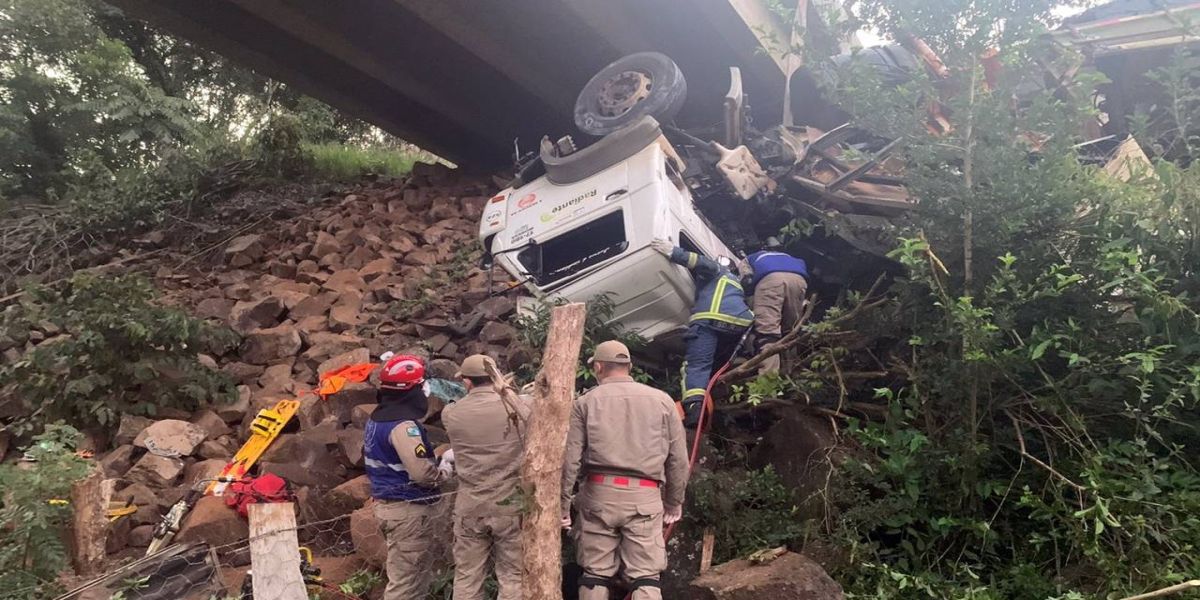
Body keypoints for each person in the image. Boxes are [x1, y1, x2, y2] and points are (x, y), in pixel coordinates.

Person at [561, 340, 690, 600]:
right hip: (645, 497)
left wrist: (563, 507)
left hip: (598, 496)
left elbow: (571, 460)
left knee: (594, 573)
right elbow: (678, 459)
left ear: (598, 367)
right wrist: (674, 502)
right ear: (629, 366)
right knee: (646, 575)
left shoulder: (585, 403)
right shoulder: (663, 401)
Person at [440, 354, 530, 600]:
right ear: (495, 377)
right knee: (513, 576)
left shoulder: (451, 413)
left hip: (470, 505)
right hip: (510, 505)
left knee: (468, 576)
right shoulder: (519, 406)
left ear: (467, 383)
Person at [364, 354, 448, 600]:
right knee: (407, 584)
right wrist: (444, 471)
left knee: (412, 578)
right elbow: (421, 473)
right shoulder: (403, 427)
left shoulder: (376, 419)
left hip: (388, 505)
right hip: (408, 510)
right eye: (422, 384)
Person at [651, 238, 753, 427]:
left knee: (696, 365)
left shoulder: (718, 270)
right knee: (713, 363)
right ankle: (712, 396)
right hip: (739, 324)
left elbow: (699, 262)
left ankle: (694, 410)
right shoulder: (736, 284)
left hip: (710, 319)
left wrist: (673, 251)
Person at [745, 248, 809, 374]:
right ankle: (793, 370)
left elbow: (746, 280)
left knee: (767, 333)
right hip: (799, 280)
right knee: (791, 330)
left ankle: (768, 382)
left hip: (771, 279)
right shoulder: (788, 256)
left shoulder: (748, 258)